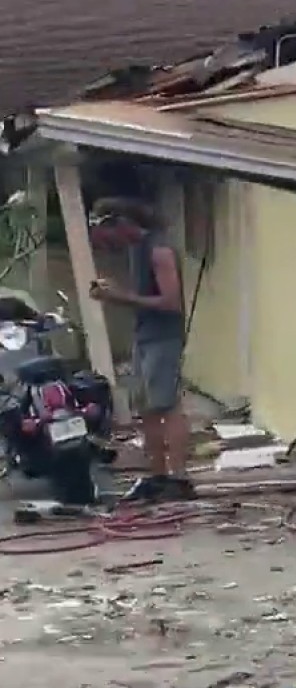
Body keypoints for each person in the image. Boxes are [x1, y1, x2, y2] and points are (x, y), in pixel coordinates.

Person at [87, 197, 191, 503]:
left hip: (164, 337)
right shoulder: (136, 250)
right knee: (146, 408)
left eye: (110, 233)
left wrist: (120, 297)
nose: (109, 242)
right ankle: (157, 475)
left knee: (167, 406)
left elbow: (171, 303)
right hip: (144, 335)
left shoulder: (159, 250)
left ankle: (180, 478)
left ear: (124, 224)